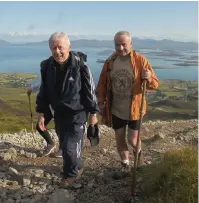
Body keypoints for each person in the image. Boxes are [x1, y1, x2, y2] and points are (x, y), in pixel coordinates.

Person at [36, 32, 99, 187]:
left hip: (78, 113)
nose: (57, 51)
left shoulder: (80, 65)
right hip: (59, 113)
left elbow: (90, 90)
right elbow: (44, 91)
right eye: (53, 48)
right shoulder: (47, 66)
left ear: (69, 47)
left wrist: (93, 114)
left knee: (70, 148)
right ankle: (79, 166)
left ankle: (70, 175)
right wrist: (41, 114)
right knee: (65, 144)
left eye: (60, 47)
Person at [97, 31, 159, 169]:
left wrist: (148, 78)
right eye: (117, 45)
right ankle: (125, 163)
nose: (120, 48)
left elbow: (154, 84)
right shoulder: (110, 62)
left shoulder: (140, 61)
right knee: (119, 137)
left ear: (131, 44)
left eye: (124, 44)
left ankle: (138, 156)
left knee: (132, 139)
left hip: (135, 109)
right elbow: (102, 84)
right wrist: (101, 102)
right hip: (116, 109)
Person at [27, 83, 62, 157]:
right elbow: (42, 84)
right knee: (40, 126)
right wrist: (31, 88)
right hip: (49, 107)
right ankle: (50, 144)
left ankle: (62, 149)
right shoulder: (50, 75)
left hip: (59, 108)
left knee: (60, 128)